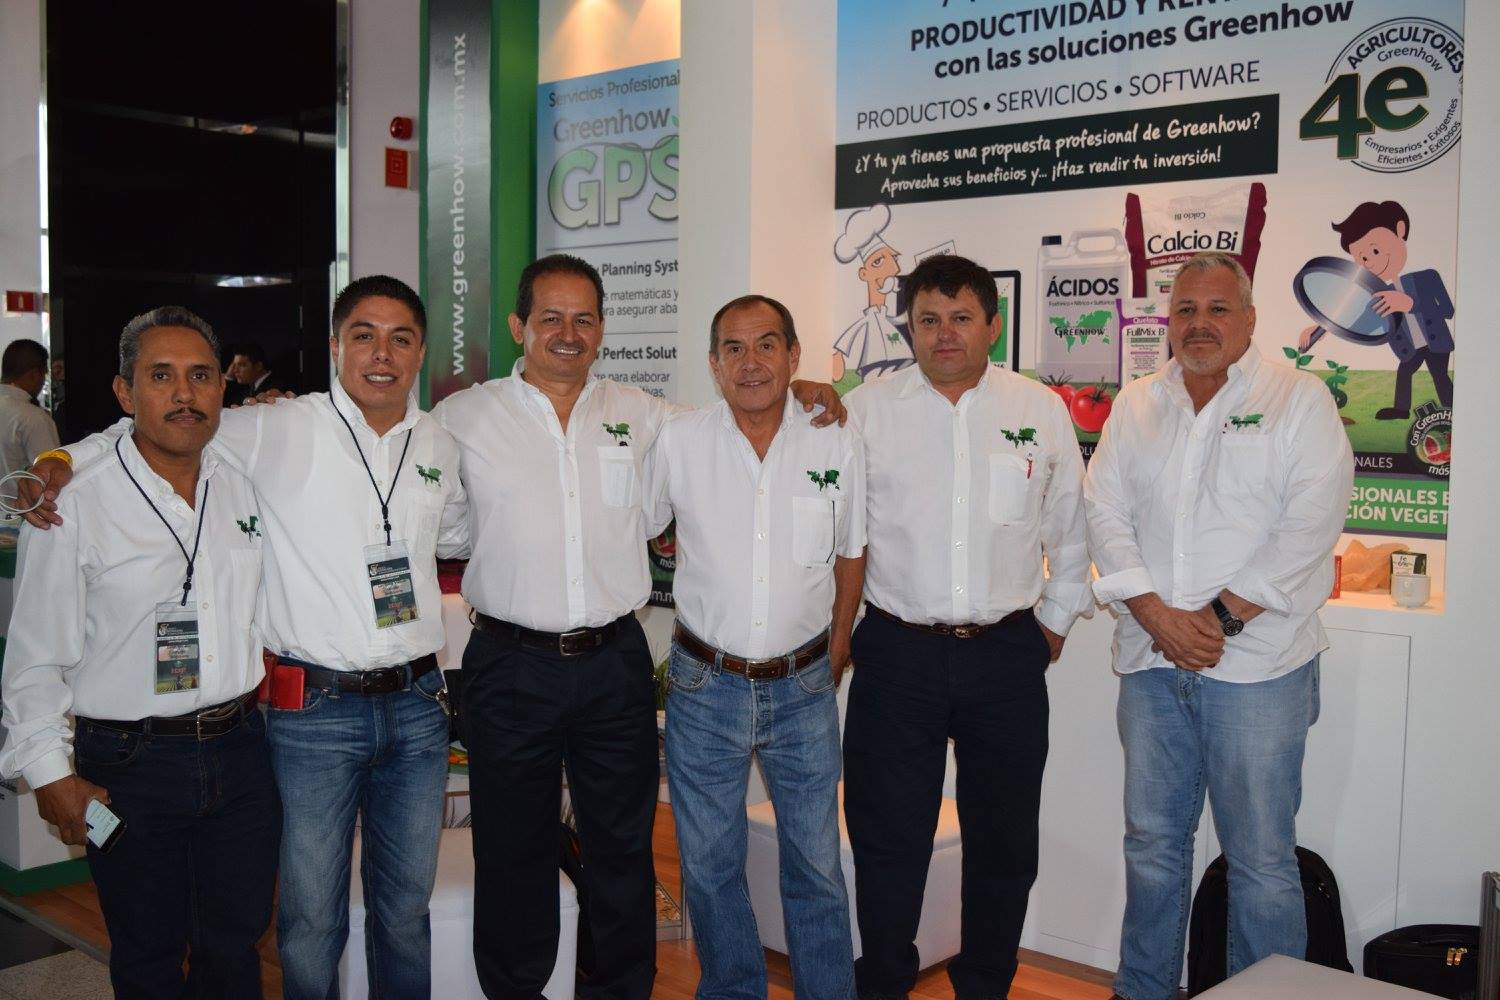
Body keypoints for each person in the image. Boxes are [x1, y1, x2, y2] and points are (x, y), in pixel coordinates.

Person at [22, 276, 470, 999]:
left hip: (362, 718)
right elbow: (152, 430)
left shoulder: (438, 445)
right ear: (335, 347)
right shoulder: (273, 429)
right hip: (287, 721)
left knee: (293, 926)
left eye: (401, 338)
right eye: (363, 335)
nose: (382, 354)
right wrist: (58, 462)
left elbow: (454, 532)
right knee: (274, 923)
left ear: (421, 351)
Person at [430, 253, 845, 1000]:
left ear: (601, 330)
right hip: (510, 665)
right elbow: (441, 521)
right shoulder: (463, 418)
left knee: (621, 847)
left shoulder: (645, 415)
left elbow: (744, 407)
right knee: (512, 847)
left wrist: (807, 390)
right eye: (550, 318)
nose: (567, 333)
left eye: (583, 319)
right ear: (519, 325)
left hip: (610, 665)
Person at [1084, 251, 1354, 1000]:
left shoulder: (1298, 400)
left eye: (1217, 309)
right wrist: (1153, 614)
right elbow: (1103, 510)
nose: (1199, 324)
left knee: (1261, 861)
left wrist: (1218, 617)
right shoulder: (1137, 404)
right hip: (1150, 664)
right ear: (1168, 322)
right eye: (1185, 310)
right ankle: (1143, 989)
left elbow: (1311, 523)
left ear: (1250, 318)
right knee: (1152, 847)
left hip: (1261, 669)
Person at [1, 307, 279, 998]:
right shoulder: (72, 503)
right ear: (124, 393)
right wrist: (49, 772)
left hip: (241, 753)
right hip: (129, 765)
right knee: (147, 954)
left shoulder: (243, 475)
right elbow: (35, 654)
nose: (185, 394)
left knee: (236, 944)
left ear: (224, 386)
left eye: (201, 375)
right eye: (161, 376)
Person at [841, 254, 1092, 999]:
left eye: (960, 318)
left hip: (1006, 653)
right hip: (896, 653)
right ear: (909, 328)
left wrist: (1050, 624)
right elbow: (840, 529)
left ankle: (985, 985)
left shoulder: (1038, 409)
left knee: (1004, 843)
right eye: (928, 320)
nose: (944, 334)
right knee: (887, 840)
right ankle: (883, 984)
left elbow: (1070, 527)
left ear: (993, 325)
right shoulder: (867, 411)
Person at [642, 294, 864, 998]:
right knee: (709, 866)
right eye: (733, 348)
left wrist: (838, 649)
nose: (751, 362)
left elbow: (851, 553)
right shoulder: (679, 441)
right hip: (705, 684)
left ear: (794, 355)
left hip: (804, 685)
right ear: (713, 364)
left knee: (816, 866)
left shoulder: (835, 438)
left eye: (767, 344)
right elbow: (634, 523)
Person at [0, 338, 60, 486]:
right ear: (34, 374)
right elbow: (52, 475)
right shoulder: (33, 417)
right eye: (44, 374)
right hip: (17, 501)